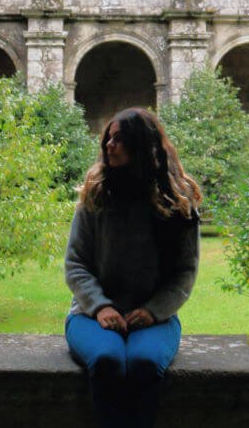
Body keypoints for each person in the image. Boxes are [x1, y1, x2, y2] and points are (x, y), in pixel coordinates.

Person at [64, 106, 202, 428]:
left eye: (119, 140)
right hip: (89, 316)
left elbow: (185, 272)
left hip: (155, 318)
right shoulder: (96, 195)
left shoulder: (176, 201)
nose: (109, 146)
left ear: (141, 144)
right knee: (107, 359)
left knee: (144, 361)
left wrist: (153, 310)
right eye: (108, 139)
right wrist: (100, 307)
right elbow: (75, 263)